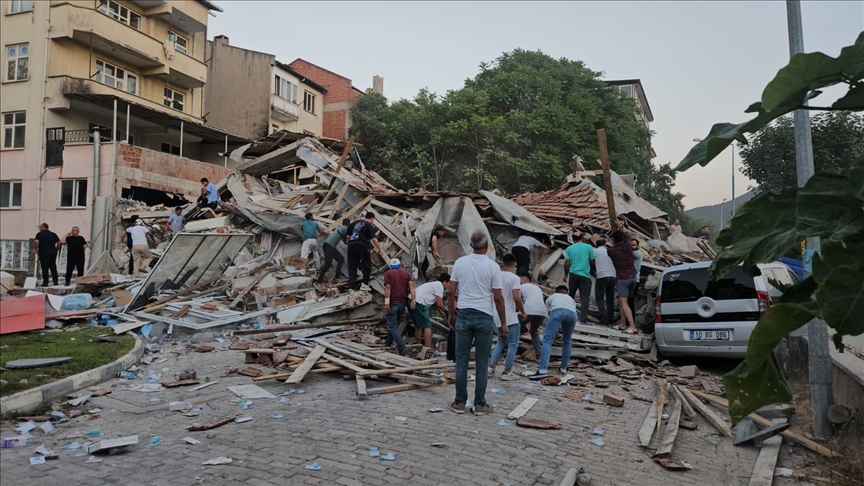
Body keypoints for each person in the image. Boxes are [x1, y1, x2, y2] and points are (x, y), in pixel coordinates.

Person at [447, 231, 507, 416]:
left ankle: (459, 402)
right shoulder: (493, 267)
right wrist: (504, 322)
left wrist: (450, 314)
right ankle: (480, 404)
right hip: (484, 316)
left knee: (461, 361)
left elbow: (450, 291)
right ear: (487, 245)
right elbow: (498, 297)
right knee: (482, 361)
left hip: (463, 314)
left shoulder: (460, 263)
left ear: (471, 245)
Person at [490, 254, 527, 381]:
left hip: (496, 314)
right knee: (513, 344)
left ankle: (491, 365)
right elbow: (516, 297)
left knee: (501, 341)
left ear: (502, 262)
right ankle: (507, 370)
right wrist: (523, 311)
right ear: (515, 263)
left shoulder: (496, 275)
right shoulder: (514, 278)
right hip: (510, 315)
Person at [533, 285, 579, 376]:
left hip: (558, 312)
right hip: (573, 315)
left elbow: (549, 314)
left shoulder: (552, 297)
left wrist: (555, 332)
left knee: (547, 340)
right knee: (567, 341)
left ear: (556, 291)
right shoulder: (571, 299)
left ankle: (543, 370)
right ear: (567, 292)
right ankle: (563, 369)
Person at [383, 258, 416, 355]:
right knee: (394, 324)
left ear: (391, 266)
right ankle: (387, 344)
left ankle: (402, 347)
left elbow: (388, 287)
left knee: (393, 326)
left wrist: (386, 302)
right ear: (400, 265)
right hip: (402, 303)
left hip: (393, 303)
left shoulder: (388, 274)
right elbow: (411, 287)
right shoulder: (406, 274)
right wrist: (414, 299)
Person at [410, 273, 451, 350]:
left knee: (419, 326)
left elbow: (437, 304)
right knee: (427, 326)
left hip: (412, 300)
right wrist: (448, 313)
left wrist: (444, 315)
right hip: (419, 302)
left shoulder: (434, 284)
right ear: (445, 282)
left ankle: (418, 348)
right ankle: (427, 349)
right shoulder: (439, 286)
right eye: (449, 283)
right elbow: (440, 304)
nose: (449, 286)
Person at [346, 212, 386, 290]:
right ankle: (365, 284)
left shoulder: (353, 224)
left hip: (351, 245)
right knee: (367, 264)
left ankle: (351, 286)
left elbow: (348, 237)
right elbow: (374, 239)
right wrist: (380, 249)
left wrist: (351, 244)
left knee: (352, 266)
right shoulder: (369, 225)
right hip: (361, 245)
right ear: (372, 218)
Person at [608, 231, 638, 334]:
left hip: (623, 279)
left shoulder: (611, 251)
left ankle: (633, 326)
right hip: (633, 278)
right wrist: (619, 227)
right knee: (622, 302)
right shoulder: (628, 247)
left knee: (624, 304)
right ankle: (622, 324)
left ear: (613, 240)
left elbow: (623, 239)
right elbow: (628, 237)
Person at [563, 232, 594, 323]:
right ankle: (583, 319)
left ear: (573, 239)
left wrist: (565, 274)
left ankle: (567, 316)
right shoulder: (588, 247)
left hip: (573, 274)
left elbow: (567, 263)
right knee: (584, 298)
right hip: (585, 275)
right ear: (582, 238)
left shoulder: (570, 248)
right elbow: (592, 261)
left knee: (571, 295)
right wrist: (592, 270)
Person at [518, 272, 546, 361]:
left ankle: (510, 351)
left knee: (516, 328)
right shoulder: (537, 288)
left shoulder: (521, 287)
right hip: (541, 312)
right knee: (534, 331)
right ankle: (539, 355)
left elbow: (517, 301)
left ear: (524, 280)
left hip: (529, 310)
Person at [317, 218, 350, 287]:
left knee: (341, 259)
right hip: (329, 246)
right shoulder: (344, 229)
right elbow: (349, 236)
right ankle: (319, 281)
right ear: (348, 224)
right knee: (328, 264)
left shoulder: (341, 228)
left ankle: (337, 276)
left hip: (330, 246)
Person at [593, 238, 617, 326]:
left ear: (596, 245)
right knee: (610, 298)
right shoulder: (609, 251)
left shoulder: (595, 251)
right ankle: (610, 317)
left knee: (599, 297)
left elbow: (591, 261)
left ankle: (604, 318)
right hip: (612, 275)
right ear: (605, 244)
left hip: (602, 275)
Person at [629, 238, 644, 320]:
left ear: (637, 246)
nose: (631, 246)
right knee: (627, 300)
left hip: (634, 280)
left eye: (633, 245)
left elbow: (631, 254)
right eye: (630, 245)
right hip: (629, 279)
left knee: (630, 300)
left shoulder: (638, 253)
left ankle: (631, 320)